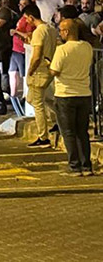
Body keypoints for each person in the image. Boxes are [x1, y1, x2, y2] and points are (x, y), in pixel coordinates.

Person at [49, 18, 95, 176]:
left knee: (68, 132)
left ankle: (74, 166)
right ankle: (86, 165)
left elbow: (54, 71)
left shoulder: (62, 50)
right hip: (83, 93)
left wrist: (49, 65)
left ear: (67, 32)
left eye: (61, 30)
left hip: (65, 94)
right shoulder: (87, 47)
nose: (60, 33)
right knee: (82, 132)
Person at [23, 4, 58, 148]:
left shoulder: (39, 31)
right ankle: (57, 121)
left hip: (39, 71)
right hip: (49, 68)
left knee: (37, 104)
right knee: (41, 99)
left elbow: (37, 56)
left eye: (27, 19)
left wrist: (30, 71)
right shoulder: (50, 29)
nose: (26, 22)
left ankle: (43, 137)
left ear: (31, 17)